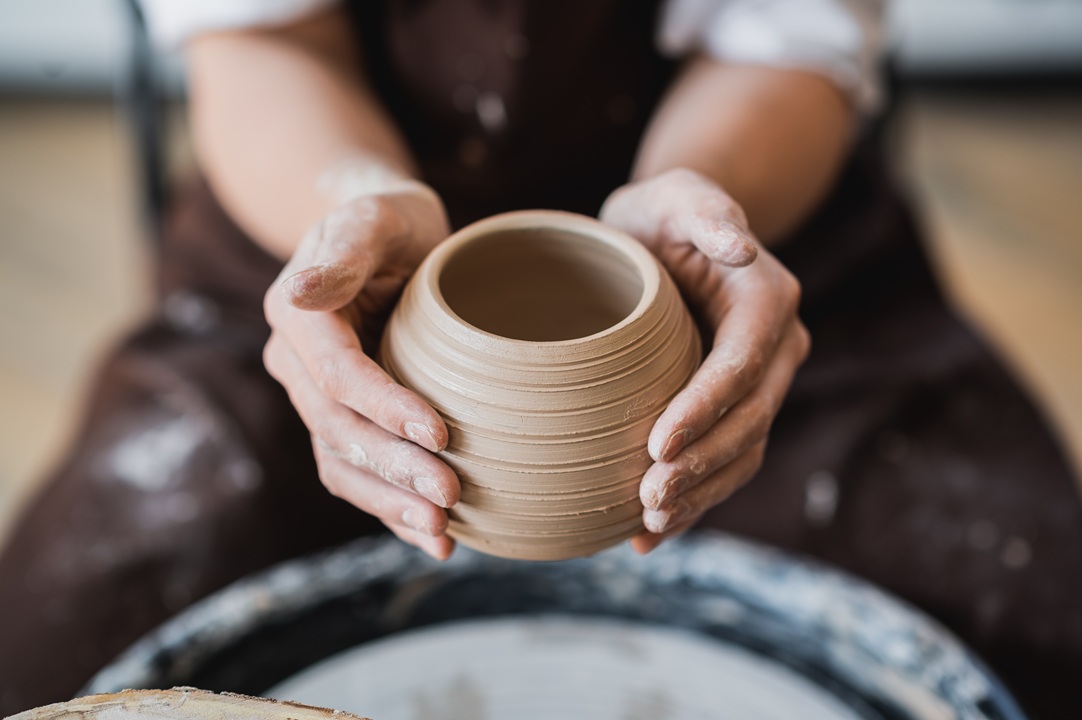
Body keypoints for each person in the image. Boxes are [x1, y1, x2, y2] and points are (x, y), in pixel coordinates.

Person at [1, 0, 1079, 716]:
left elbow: (781, 42)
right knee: (81, 616)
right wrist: (347, 205)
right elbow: (262, 37)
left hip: (728, 242)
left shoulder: (717, 237)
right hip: (324, 242)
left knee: (1015, 601)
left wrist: (697, 206)